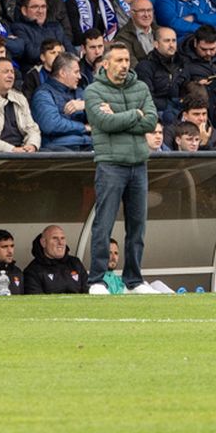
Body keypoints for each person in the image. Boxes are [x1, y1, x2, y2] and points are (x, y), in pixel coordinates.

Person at [82, 41, 159, 291]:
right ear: (106, 64)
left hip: (139, 165)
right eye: (119, 60)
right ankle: (97, 279)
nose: (124, 65)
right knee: (103, 224)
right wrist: (134, 114)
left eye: (127, 60)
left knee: (137, 226)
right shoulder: (94, 91)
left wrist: (121, 116)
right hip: (110, 165)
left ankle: (134, 280)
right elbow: (103, 122)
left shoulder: (141, 87)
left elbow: (151, 121)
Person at [22, 224, 87, 295]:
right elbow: (36, 303)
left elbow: (89, 292)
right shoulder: (33, 271)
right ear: (43, 242)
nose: (60, 243)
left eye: (62, 238)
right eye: (55, 238)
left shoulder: (75, 263)